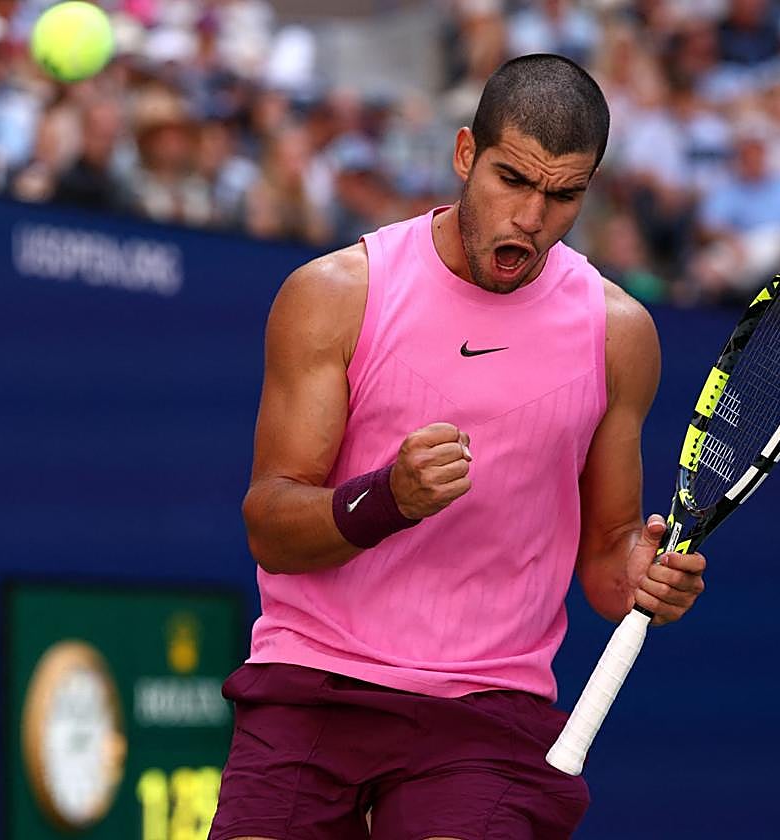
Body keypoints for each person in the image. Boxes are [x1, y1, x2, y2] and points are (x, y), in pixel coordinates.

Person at [208, 54, 707, 840]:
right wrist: (388, 499)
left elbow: (610, 562)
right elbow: (270, 527)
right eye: (513, 180)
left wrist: (645, 578)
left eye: (564, 194)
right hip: (313, 685)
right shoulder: (336, 295)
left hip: (486, 715)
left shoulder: (618, 334)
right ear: (466, 154)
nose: (532, 218)